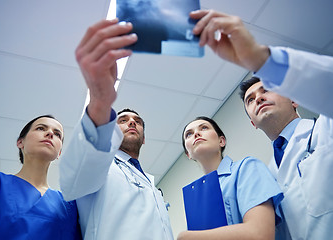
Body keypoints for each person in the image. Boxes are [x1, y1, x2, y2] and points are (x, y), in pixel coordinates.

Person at [189, 9, 333, 239]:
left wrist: (261, 59)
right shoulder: (267, 174)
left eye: (266, 90)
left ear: (294, 98)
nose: (258, 98)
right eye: (250, 100)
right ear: (252, 122)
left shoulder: (326, 129)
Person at [59, 19, 173, 239]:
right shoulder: (100, 165)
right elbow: (72, 181)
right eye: (123, 120)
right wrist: (101, 102)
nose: (132, 123)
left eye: (137, 121)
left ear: (144, 138)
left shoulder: (151, 182)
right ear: (111, 130)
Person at [0, 115, 81, 240]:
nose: (50, 133)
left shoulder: (69, 206)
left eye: (57, 134)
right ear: (20, 142)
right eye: (41, 128)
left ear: (59, 153)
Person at [178, 116, 283, 240]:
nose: (196, 134)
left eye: (204, 128)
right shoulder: (195, 198)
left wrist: (187, 237)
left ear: (221, 141)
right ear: (188, 154)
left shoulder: (247, 167)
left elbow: (260, 233)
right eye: (188, 134)